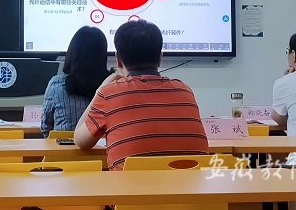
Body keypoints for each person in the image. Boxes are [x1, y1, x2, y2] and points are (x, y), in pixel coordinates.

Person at [74, 19, 208, 170]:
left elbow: (80, 141)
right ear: (160, 57)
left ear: (118, 59)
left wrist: (101, 88)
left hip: (130, 185)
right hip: (188, 184)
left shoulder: (109, 93)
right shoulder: (185, 91)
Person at [41, 26, 110, 137]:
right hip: (104, 148)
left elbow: (45, 127)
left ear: (72, 52)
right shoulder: (112, 86)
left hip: (61, 147)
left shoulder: (56, 84)